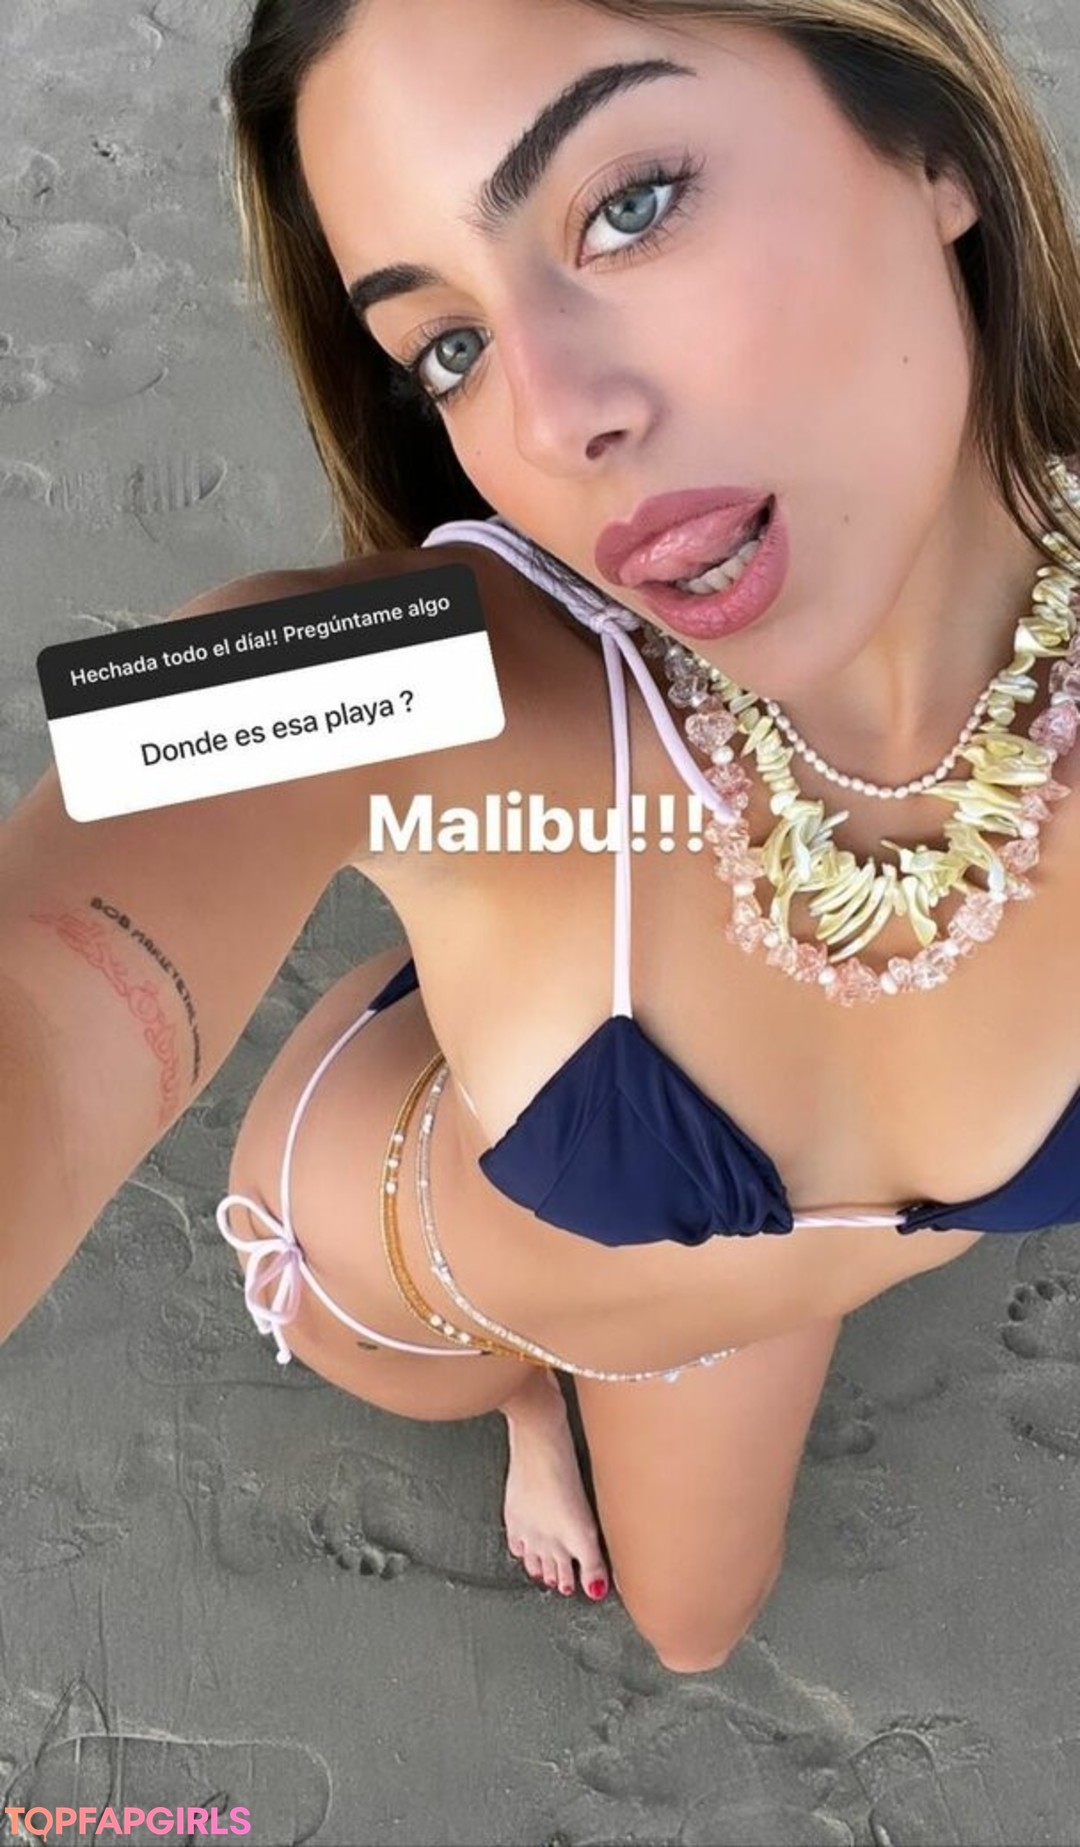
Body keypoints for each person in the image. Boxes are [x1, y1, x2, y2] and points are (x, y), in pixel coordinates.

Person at [3, 0, 1080, 1679]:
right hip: (402, 1278)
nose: (554, 423)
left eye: (629, 206)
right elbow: (62, 953)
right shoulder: (412, 669)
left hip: (757, 1279)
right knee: (605, 1522)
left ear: (932, 144)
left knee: (695, 1628)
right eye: (449, 349)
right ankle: (525, 1405)